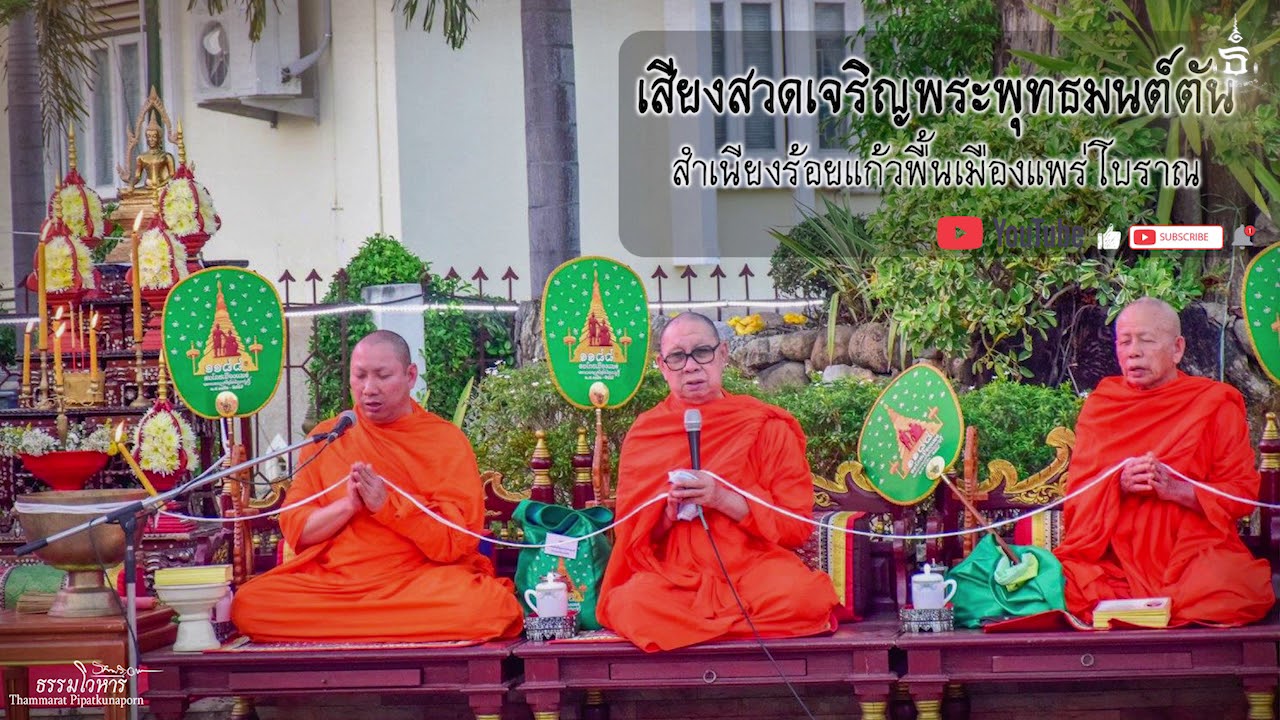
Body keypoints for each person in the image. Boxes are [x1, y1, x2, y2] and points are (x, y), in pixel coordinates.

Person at [231, 330, 523, 642]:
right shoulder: (329, 437)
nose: (369, 389)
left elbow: (454, 543)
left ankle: (346, 630)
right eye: (360, 376)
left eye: (383, 376)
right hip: (335, 584)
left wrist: (389, 507)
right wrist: (347, 507)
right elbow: (298, 531)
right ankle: (390, 626)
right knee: (249, 604)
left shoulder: (444, 441)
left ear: (410, 376)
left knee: (488, 607)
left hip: (417, 581)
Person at [596, 313, 838, 651]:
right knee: (630, 606)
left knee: (806, 598)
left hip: (751, 569)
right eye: (678, 357)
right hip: (675, 576)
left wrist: (723, 498)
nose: (691, 366)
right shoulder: (647, 433)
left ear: (723, 354)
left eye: (702, 352)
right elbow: (631, 538)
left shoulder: (765, 425)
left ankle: (693, 629)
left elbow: (795, 527)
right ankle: (734, 625)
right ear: (663, 366)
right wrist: (667, 512)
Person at [1054, 297, 1275, 626]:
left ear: (1177, 348)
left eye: (1146, 340)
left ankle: (1143, 610)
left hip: (1192, 554)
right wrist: (1118, 485)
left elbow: (1241, 495)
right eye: (1124, 341)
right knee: (1059, 582)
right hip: (1115, 559)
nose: (1133, 352)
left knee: (1239, 589)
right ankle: (1149, 608)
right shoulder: (1102, 405)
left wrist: (1175, 489)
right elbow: (1077, 501)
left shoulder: (1213, 404)